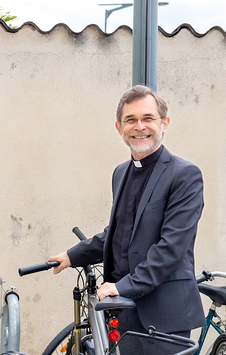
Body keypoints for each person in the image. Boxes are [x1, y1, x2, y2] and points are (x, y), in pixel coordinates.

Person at [48, 85, 205, 339]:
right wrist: (72, 255)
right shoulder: (120, 173)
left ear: (164, 123)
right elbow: (119, 234)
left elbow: (172, 247)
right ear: (119, 128)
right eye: (130, 120)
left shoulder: (184, 175)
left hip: (164, 314)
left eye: (148, 118)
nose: (139, 126)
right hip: (122, 309)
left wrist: (123, 287)